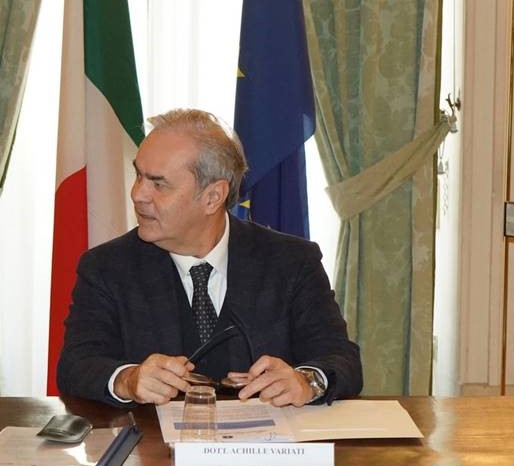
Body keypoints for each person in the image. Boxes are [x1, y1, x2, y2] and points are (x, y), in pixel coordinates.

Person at [56, 108, 362, 407]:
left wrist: (306, 381)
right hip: (153, 440)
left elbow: (341, 359)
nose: (137, 194)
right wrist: (128, 379)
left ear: (213, 197)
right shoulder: (107, 267)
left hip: (268, 439)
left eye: (158, 184)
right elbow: (76, 365)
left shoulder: (291, 261)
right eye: (138, 175)